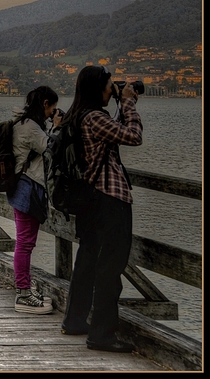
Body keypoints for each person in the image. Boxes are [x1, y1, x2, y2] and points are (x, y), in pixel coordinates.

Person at [61, 66, 142, 353]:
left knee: (87, 262)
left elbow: (114, 135)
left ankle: (75, 320)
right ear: (98, 88)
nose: (113, 89)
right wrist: (129, 102)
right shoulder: (95, 117)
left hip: (89, 201)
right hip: (110, 199)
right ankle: (102, 335)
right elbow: (133, 136)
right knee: (110, 268)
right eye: (110, 84)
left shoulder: (77, 115)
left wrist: (121, 104)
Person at [8, 85, 62, 315]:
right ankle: (23, 293)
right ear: (45, 104)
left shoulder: (24, 123)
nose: (53, 113)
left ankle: (25, 287)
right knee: (25, 243)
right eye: (52, 108)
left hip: (22, 187)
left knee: (25, 242)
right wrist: (58, 129)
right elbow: (51, 149)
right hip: (28, 188)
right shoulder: (30, 128)